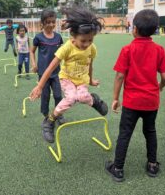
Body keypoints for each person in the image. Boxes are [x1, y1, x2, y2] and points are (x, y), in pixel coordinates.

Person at [105, 9, 165, 182]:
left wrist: (115, 98)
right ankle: (152, 165)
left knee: (125, 133)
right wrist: (160, 87)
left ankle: (118, 168)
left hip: (132, 102)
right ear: (155, 29)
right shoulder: (159, 50)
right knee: (150, 131)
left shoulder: (127, 50)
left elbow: (120, 76)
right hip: (151, 101)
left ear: (134, 29)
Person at [30, 7, 108, 143]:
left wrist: (90, 80)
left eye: (91, 40)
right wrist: (40, 86)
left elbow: (90, 64)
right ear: (73, 35)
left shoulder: (91, 48)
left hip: (81, 80)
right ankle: (50, 121)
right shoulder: (66, 47)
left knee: (83, 97)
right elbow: (51, 67)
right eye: (83, 41)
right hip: (66, 78)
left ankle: (94, 100)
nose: (87, 44)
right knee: (71, 98)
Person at [29, 9, 66, 137]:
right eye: (48, 22)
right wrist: (34, 64)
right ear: (43, 23)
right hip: (43, 74)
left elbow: (62, 53)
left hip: (56, 73)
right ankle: (46, 116)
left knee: (57, 96)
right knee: (45, 97)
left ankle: (58, 115)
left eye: (53, 22)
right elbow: (32, 51)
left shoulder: (58, 37)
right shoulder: (38, 37)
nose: (51, 24)